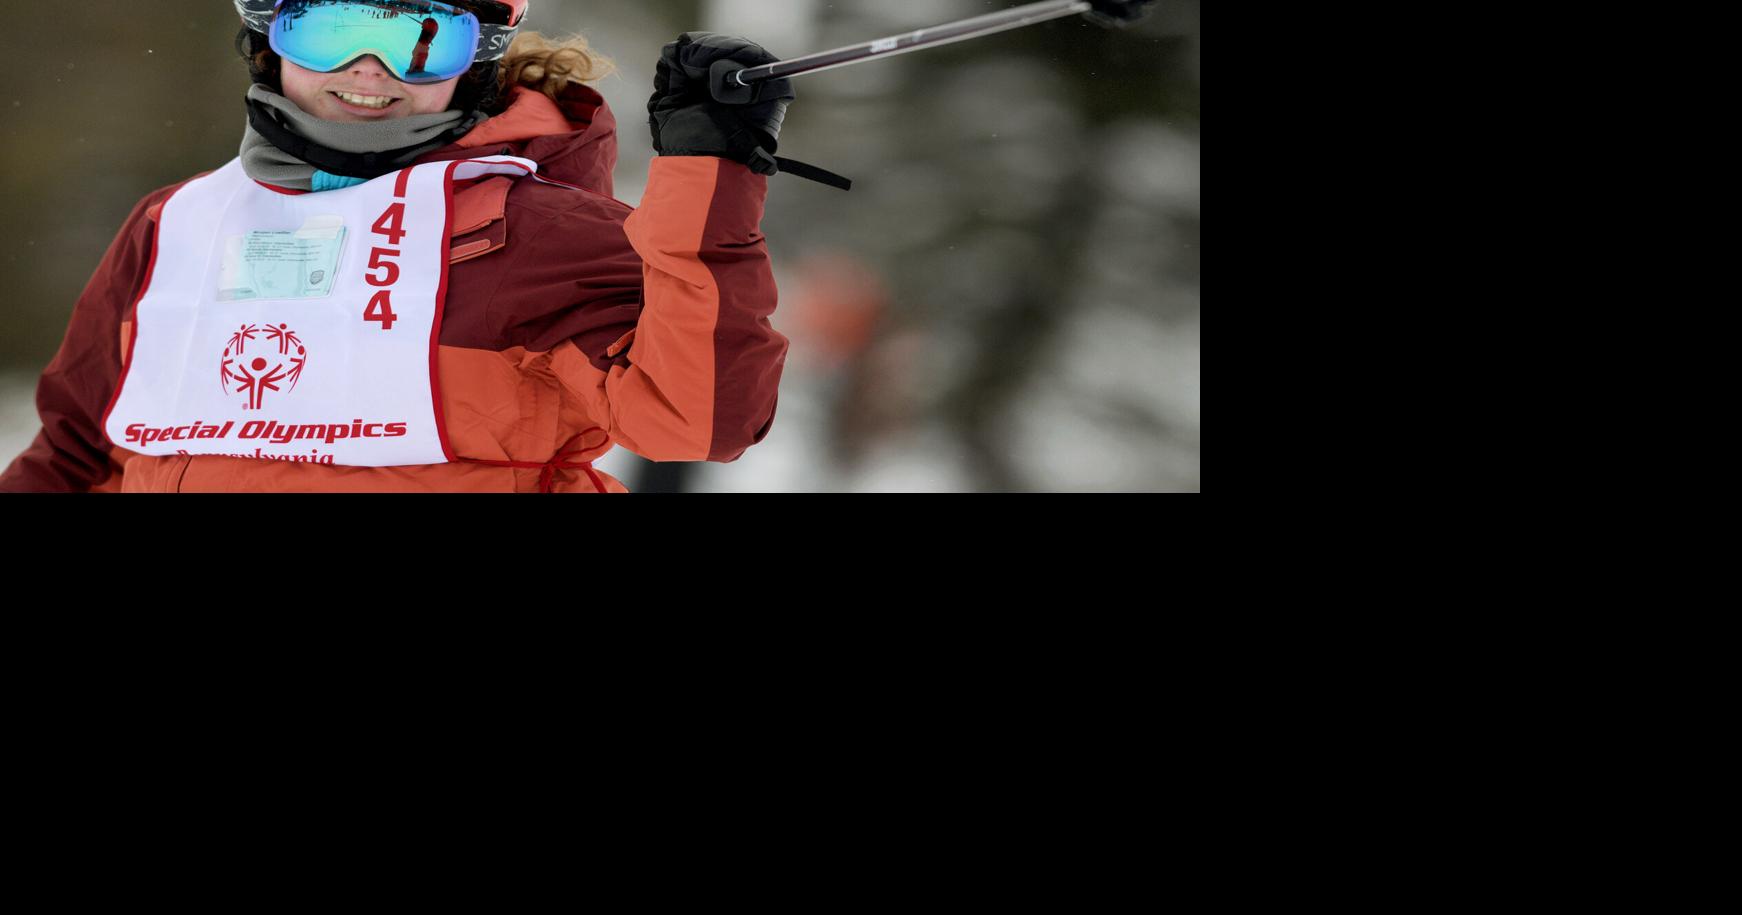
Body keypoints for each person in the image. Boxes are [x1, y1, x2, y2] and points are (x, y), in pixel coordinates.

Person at [0, 0, 813, 493]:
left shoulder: (534, 232)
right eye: (329, 31)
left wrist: (713, 167)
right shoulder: (175, 223)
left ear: (479, 62)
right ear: (267, 39)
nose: (371, 70)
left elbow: (700, 420)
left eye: (422, 41)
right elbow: (75, 451)